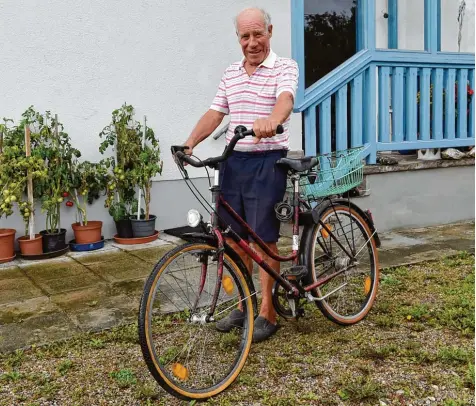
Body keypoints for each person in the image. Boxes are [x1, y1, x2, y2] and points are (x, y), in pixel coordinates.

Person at [181, 7, 299, 342]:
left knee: (262, 240)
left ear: (270, 32)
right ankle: (244, 303)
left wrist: (272, 121)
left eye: (257, 34)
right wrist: (189, 143)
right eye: (244, 36)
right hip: (234, 162)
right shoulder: (231, 73)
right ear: (238, 39)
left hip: (267, 160)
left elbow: (286, 100)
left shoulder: (285, 67)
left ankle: (268, 311)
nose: (251, 42)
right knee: (232, 239)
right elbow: (216, 112)